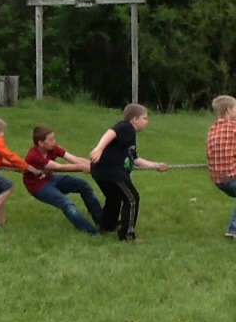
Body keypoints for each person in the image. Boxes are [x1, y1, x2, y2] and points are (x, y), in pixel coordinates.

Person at [89, 103, 168, 242]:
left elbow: (135, 159)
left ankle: (107, 226)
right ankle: (126, 235)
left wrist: (156, 165)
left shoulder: (130, 136)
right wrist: (99, 148)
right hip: (110, 171)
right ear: (134, 119)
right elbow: (111, 132)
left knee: (114, 197)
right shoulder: (127, 127)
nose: (147, 121)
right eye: (144, 118)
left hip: (100, 171)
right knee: (132, 198)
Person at [23, 126, 103, 235]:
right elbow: (59, 167)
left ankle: (100, 220)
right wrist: (82, 168)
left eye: (54, 138)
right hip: (38, 187)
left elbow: (74, 159)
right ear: (41, 143)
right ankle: (92, 232)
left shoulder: (53, 148)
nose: (54, 141)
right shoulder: (34, 156)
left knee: (84, 185)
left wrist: (96, 165)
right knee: (67, 204)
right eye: (51, 139)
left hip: (50, 178)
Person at [205, 95, 236, 238]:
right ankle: (233, 229)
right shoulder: (233, 128)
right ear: (229, 110)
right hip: (232, 177)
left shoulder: (212, 129)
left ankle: (233, 230)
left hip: (218, 180)